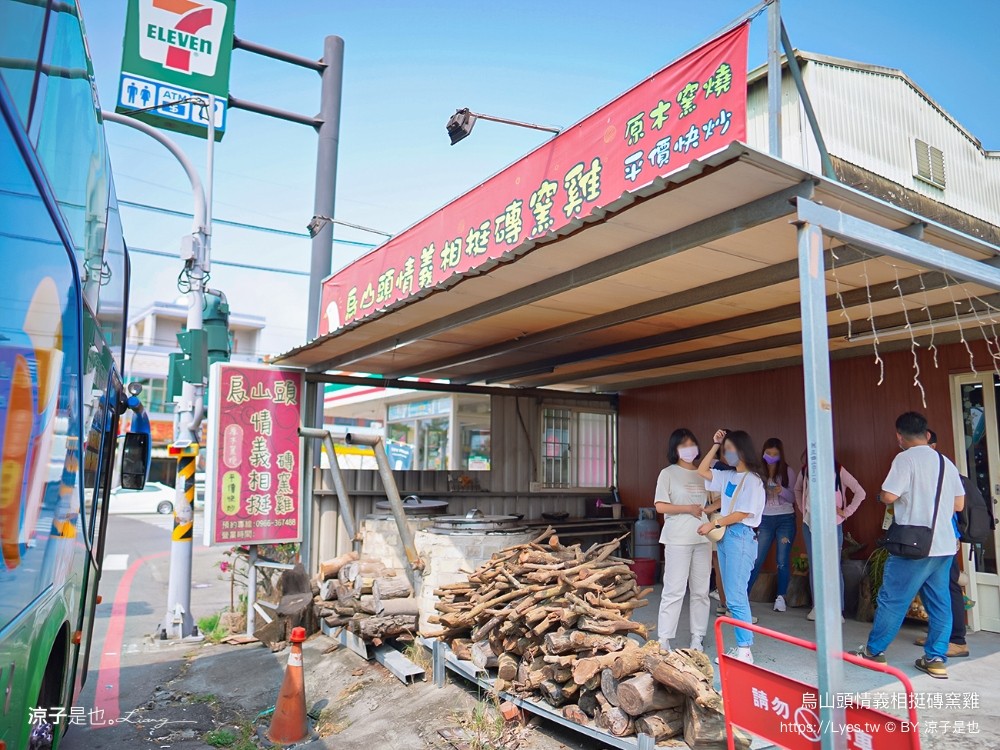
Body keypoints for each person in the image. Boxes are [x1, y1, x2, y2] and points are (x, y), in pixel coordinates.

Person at [856, 412, 965, 679]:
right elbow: (959, 504)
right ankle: (936, 659)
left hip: (913, 546)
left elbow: (890, 495)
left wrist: (884, 496)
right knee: (940, 602)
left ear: (899, 437)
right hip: (944, 546)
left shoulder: (904, 459)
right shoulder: (945, 462)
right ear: (926, 434)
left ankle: (873, 652)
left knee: (892, 599)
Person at [696, 429, 767, 664]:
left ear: (742, 450)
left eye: (730, 449)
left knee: (736, 596)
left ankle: (745, 649)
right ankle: (742, 647)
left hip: (741, 536)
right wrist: (715, 444)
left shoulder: (753, 480)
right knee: (732, 595)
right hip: (728, 536)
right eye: (725, 450)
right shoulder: (728, 476)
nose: (727, 454)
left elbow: (742, 513)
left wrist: (714, 523)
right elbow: (701, 470)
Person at [915, 430, 973, 658]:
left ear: (932, 445)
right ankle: (939, 636)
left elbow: (957, 506)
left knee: (949, 587)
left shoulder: (944, 469)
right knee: (934, 588)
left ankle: (957, 640)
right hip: (935, 539)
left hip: (946, 538)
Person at [653, 429, 712, 652]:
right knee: (674, 589)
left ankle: (698, 636)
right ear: (675, 449)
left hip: (702, 538)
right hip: (677, 538)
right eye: (683, 445)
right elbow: (660, 506)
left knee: (701, 591)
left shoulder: (703, 473)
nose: (689, 449)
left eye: (691, 444)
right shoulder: (667, 473)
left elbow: (716, 500)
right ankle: (664, 639)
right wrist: (688, 508)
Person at [794, 452, 866, 621]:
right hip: (810, 523)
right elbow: (797, 489)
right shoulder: (806, 470)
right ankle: (817, 607)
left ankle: (837, 610)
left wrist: (846, 512)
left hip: (832, 524)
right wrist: (803, 509)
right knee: (815, 565)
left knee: (832, 566)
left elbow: (860, 492)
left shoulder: (838, 470)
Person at [747, 438, 797, 612]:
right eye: (768, 453)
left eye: (775, 454)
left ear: (781, 455)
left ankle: (781, 597)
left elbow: (794, 497)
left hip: (785, 518)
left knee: (782, 560)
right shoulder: (757, 472)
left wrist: (781, 490)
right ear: (763, 453)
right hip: (765, 519)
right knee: (756, 558)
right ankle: (744, 596)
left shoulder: (788, 471)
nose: (771, 457)